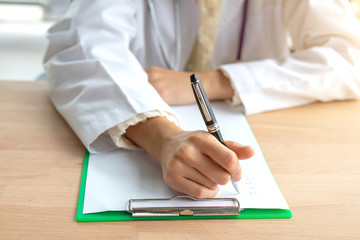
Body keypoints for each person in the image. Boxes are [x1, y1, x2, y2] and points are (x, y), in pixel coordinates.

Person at [44, 0, 360, 198]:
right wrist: (163, 137)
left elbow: (350, 61)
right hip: (136, 120)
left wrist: (216, 82)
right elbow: (80, 47)